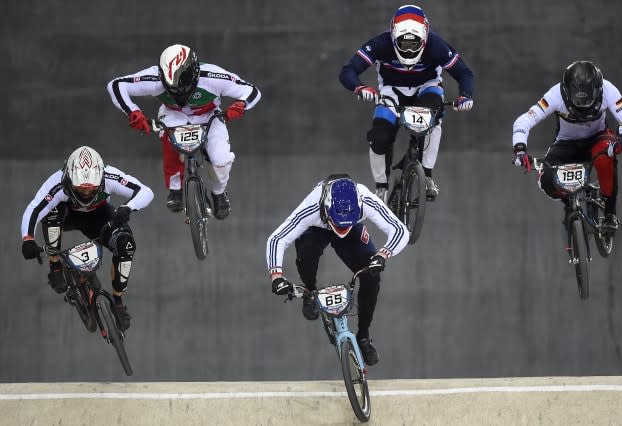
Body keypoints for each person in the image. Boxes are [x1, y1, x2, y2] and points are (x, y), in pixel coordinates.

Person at [266, 174, 409, 366]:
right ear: (326, 208)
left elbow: (400, 230)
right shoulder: (312, 205)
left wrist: (382, 255)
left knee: (371, 274)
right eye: (338, 224)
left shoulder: (365, 199)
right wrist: (276, 275)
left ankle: (364, 335)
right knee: (307, 251)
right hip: (318, 227)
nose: (341, 229)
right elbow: (277, 239)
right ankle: (309, 291)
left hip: (353, 228)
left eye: (346, 223)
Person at [107, 44, 261, 218]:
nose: (180, 92)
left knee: (220, 159)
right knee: (169, 139)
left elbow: (251, 90)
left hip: (208, 115)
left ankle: (219, 192)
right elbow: (116, 85)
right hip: (174, 114)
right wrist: (133, 112)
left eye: (184, 85)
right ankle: (175, 189)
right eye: (172, 87)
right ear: (162, 76)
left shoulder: (213, 76)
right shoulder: (154, 77)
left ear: (195, 73)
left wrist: (241, 104)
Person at [339, 4, 474, 202]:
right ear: (393, 37)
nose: (409, 50)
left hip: (426, 88)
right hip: (392, 91)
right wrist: (360, 88)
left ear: (425, 39)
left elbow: (464, 73)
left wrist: (466, 95)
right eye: (403, 44)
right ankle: (381, 187)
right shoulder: (380, 44)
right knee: (379, 137)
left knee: (433, 118)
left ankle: (427, 174)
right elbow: (348, 70)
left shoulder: (436, 45)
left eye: (414, 44)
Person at [20, 146, 154, 331]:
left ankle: (118, 302)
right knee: (51, 212)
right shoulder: (56, 182)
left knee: (126, 245)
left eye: (91, 188)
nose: (85, 193)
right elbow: (35, 208)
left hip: (98, 218)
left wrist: (128, 207)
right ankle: (55, 264)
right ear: (68, 178)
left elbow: (146, 191)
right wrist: (27, 239)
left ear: (100, 178)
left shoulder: (109, 175)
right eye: (80, 188)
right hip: (67, 216)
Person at [512, 60, 622, 231]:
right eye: (578, 101)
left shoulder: (608, 90)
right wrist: (520, 149)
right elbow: (525, 120)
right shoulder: (555, 94)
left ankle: (610, 214)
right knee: (547, 181)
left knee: (606, 158)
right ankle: (569, 199)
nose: (582, 106)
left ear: (598, 91)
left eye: (587, 101)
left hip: (598, 137)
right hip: (566, 143)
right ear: (567, 91)